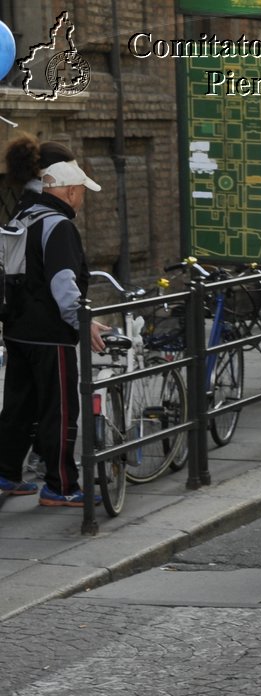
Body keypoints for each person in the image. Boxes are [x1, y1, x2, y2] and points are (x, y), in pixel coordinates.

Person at [0, 161, 108, 506]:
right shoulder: (59, 226)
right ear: (71, 191)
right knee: (59, 411)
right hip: (50, 334)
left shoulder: (23, 217)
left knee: (18, 407)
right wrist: (82, 321)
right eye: (81, 194)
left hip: (18, 330)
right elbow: (64, 282)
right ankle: (61, 487)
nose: (81, 201)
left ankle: (6, 474)